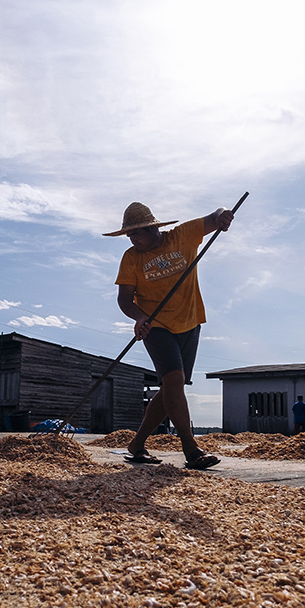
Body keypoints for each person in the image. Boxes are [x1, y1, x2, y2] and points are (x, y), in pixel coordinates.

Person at [105, 200, 235, 470]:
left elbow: (215, 215)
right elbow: (125, 299)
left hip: (190, 321)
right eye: (129, 235)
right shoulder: (131, 258)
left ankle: (137, 444)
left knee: (171, 387)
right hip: (155, 325)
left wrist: (223, 215)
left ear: (153, 229)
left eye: (136, 233)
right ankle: (191, 449)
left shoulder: (182, 236)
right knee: (174, 379)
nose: (132, 239)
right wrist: (140, 317)